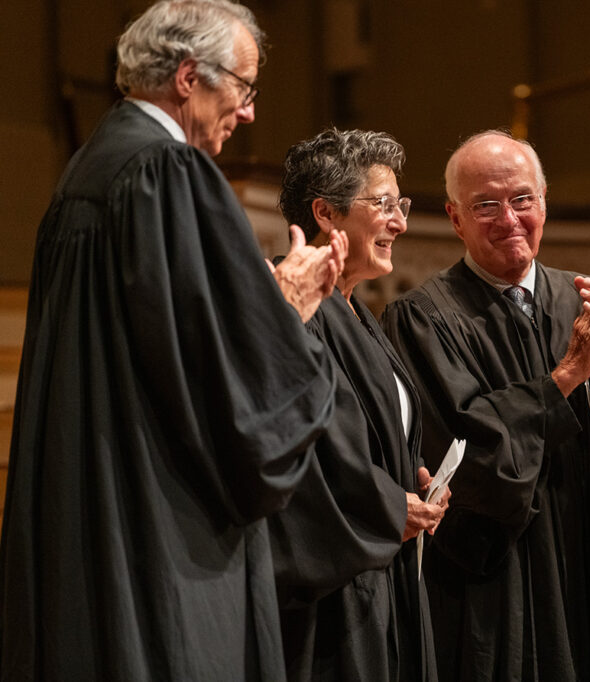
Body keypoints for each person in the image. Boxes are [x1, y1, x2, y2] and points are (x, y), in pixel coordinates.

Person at [0, 2, 346, 680]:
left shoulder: (83, 174)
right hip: (160, 529)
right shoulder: (169, 174)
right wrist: (291, 311)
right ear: (189, 77)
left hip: (88, 515)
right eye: (243, 89)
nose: (247, 112)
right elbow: (235, 391)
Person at [381, 130, 590, 681]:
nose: (509, 218)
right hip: (496, 590)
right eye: (486, 205)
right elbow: (466, 456)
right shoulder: (422, 320)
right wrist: (563, 380)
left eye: (522, 199)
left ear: (544, 204)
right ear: (456, 219)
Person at [270, 128, 447, 681]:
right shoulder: (289, 304)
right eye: (384, 205)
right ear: (325, 212)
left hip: (381, 571)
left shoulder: (355, 312)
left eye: (402, 205)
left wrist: (409, 474)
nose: (400, 222)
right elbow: (302, 448)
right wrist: (391, 506)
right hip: (331, 592)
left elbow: (368, 432)